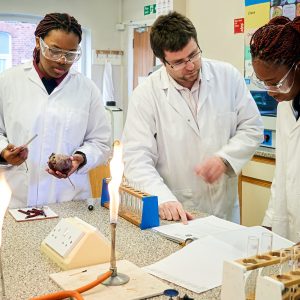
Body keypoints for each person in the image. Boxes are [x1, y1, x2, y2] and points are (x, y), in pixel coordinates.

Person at [122, 11, 263, 224]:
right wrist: (163, 199)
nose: (190, 66)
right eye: (178, 62)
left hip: (224, 208)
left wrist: (224, 159)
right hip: (176, 212)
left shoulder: (227, 77)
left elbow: (252, 128)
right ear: (162, 61)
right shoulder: (145, 95)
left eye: (194, 55)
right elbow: (136, 158)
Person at [0, 13, 111, 208]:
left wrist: (80, 158)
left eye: (70, 54)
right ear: (38, 42)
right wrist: (3, 151)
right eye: (54, 50)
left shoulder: (87, 89)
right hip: (15, 199)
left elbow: (100, 142)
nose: (62, 60)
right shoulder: (8, 81)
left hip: (68, 199)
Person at [250, 16, 300, 242]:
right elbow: (282, 176)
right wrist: (269, 224)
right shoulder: (285, 108)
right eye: (263, 82)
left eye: (275, 82)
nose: (270, 91)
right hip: (287, 233)